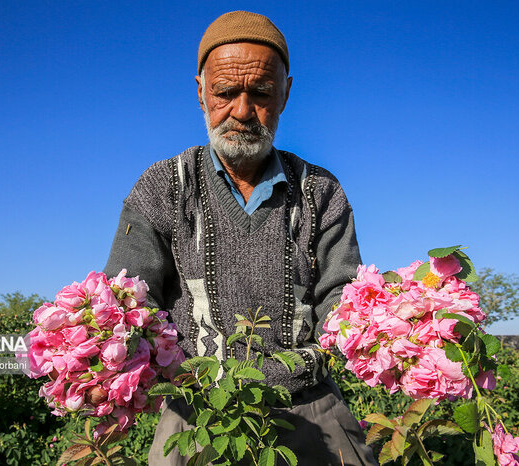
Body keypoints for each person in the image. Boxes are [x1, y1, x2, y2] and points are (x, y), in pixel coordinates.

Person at [104, 10, 377, 466]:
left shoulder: (321, 191)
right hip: (197, 412)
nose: (243, 111)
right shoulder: (164, 185)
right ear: (201, 93)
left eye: (262, 93)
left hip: (308, 406)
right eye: (226, 93)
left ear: (286, 93)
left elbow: (342, 300)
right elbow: (128, 300)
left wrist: (387, 333)